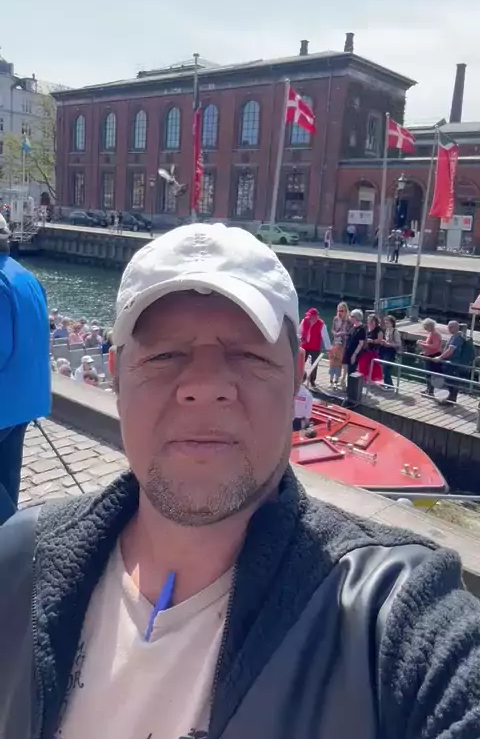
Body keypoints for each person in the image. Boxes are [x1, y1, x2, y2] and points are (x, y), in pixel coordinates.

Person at [2, 223, 480, 739]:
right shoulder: (19, 560)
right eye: (163, 355)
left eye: (249, 355)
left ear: (297, 377)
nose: (204, 386)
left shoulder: (387, 614)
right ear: (116, 376)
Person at [0, 215, 50, 522]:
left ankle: (10, 530)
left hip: (4, 400)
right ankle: (10, 529)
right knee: (7, 472)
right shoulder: (26, 276)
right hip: (28, 395)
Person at [299, 307, 331, 388]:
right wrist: (299, 339)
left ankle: (312, 380)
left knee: (314, 364)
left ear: (316, 317)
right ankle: (299, 377)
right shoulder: (304, 320)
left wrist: (328, 348)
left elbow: (325, 337)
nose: (310, 318)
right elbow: (299, 331)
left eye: (311, 317)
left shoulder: (321, 324)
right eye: (309, 316)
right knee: (300, 362)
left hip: (315, 347)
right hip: (304, 345)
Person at [435, 320, 464, 403]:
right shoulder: (456, 336)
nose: (448, 329)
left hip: (453, 362)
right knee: (450, 380)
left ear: (455, 327)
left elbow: (450, 350)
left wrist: (440, 357)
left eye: (450, 327)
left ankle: (451, 398)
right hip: (453, 362)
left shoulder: (456, 337)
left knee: (451, 380)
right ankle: (450, 398)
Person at [417, 318, 444, 396]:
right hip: (429, 355)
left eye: (426, 326)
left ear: (430, 326)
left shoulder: (435, 334)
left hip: (434, 355)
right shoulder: (431, 333)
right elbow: (429, 343)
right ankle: (428, 389)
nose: (425, 328)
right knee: (428, 373)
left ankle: (430, 391)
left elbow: (435, 346)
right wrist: (422, 342)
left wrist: (422, 344)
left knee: (431, 373)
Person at [330, 301, 351, 388]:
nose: (339, 313)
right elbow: (332, 329)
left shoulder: (349, 321)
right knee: (334, 361)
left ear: (346, 311)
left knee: (341, 362)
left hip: (344, 343)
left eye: (342, 311)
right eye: (338, 310)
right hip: (335, 342)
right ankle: (333, 380)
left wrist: (342, 333)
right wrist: (335, 333)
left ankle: (341, 379)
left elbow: (349, 333)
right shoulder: (335, 319)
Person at [357, 314, 384, 383]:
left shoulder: (378, 330)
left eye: (371, 320)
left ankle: (372, 379)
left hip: (373, 350)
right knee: (362, 363)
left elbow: (380, 340)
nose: (369, 321)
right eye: (369, 320)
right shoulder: (366, 327)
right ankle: (364, 378)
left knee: (374, 365)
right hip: (364, 349)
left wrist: (372, 341)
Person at [342, 308, 366, 377]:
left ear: (356, 317)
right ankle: (345, 380)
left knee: (352, 371)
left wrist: (354, 355)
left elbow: (361, 343)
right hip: (348, 350)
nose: (350, 318)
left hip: (354, 352)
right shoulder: (353, 326)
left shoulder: (362, 329)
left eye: (352, 316)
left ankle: (351, 383)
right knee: (346, 368)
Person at [380, 314, 402, 388]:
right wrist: (384, 342)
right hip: (386, 350)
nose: (386, 324)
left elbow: (398, 344)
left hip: (391, 351)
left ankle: (389, 384)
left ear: (392, 323)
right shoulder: (387, 330)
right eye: (385, 322)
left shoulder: (395, 332)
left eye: (387, 322)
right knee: (384, 366)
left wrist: (388, 344)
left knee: (386, 367)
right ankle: (386, 382)